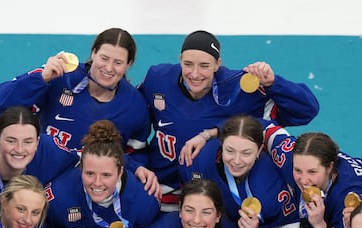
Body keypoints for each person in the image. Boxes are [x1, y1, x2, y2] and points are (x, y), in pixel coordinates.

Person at [136, 30, 320, 194]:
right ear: (180, 59)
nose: (195, 73)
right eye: (188, 64)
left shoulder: (239, 89)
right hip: (160, 187)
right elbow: (132, 118)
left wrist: (273, 83)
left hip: (213, 194)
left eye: (204, 66)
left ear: (217, 64)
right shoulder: (157, 79)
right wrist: (137, 166)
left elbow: (306, 110)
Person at [0, 28, 150, 157]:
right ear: (93, 53)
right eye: (104, 58)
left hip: (91, 189)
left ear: (129, 64)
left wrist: (137, 167)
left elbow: (136, 155)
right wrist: (41, 78)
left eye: (118, 62)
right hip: (39, 178)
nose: (108, 68)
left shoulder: (135, 106)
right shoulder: (59, 75)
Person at [44, 120, 161, 228]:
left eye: (106, 175)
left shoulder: (144, 199)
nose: (97, 183)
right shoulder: (58, 195)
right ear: (81, 168)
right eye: (89, 173)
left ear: (120, 172)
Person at [264, 126, 362, 228]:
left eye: (312, 172)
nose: (303, 180)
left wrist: (320, 226)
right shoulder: (289, 156)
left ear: (330, 167)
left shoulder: (349, 202)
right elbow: (266, 129)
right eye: (298, 170)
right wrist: (218, 129)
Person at [180, 113, 298, 228]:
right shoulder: (198, 160)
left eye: (246, 153)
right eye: (230, 151)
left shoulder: (272, 188)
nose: (236, 161)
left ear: (259, 151)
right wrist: (207, 134)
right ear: (221, 144)